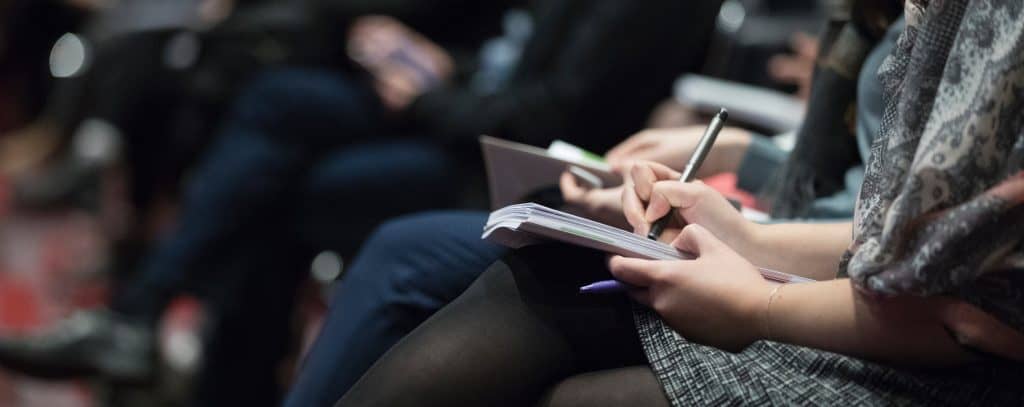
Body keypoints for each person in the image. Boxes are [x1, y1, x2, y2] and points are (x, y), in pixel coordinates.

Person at [0, 0, 723, 405]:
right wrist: (438, 69)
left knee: (298, 189)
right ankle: (166, 333)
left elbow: (552, 115)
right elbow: (512, 59)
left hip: (530, 172)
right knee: (270, 103)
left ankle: (173, 339)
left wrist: (436, 94)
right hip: (467, 117)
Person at [331, 0, 1024, 405]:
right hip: (845, 270)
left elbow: (968, 301)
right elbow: (900, 232)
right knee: (533, 272)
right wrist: (745, 233)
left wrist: (760, 299)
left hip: (926, 351)